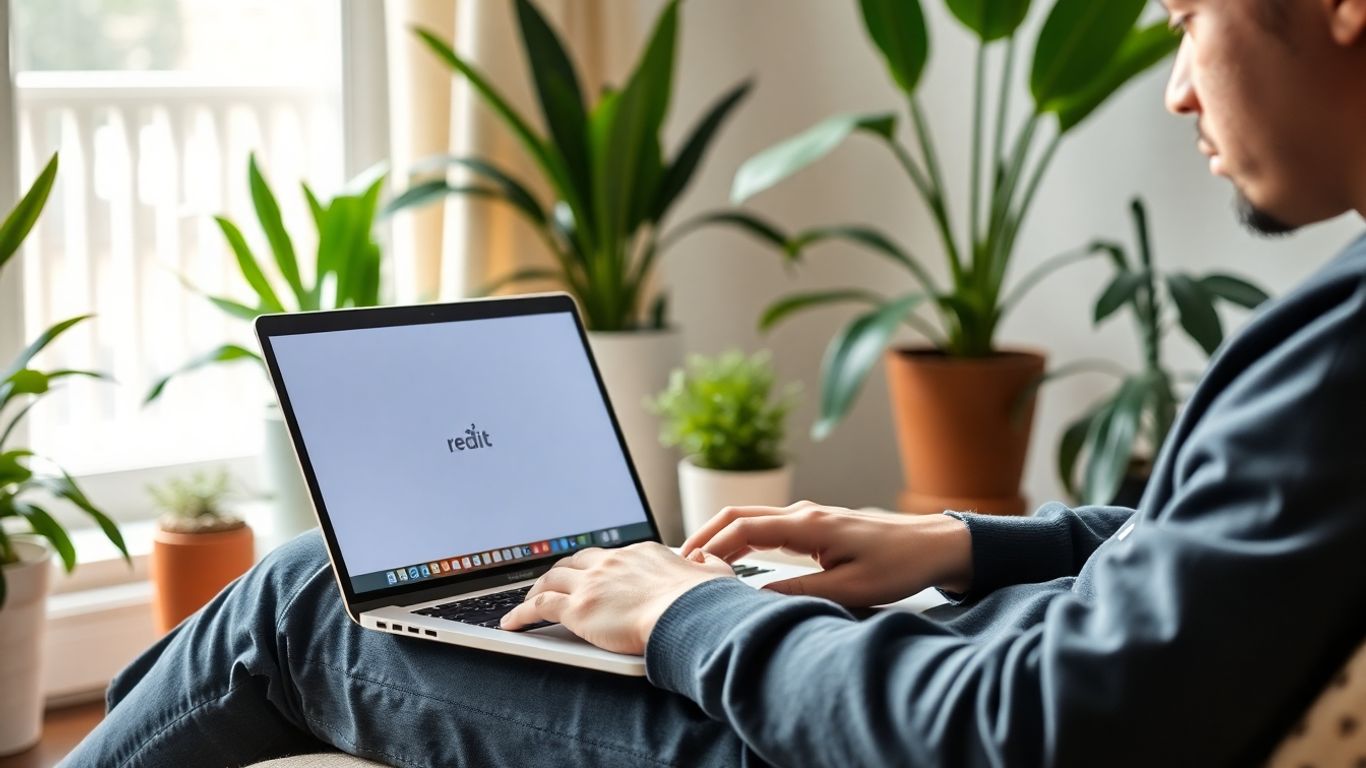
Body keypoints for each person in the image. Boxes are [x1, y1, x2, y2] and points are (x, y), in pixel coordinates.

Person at [61, 0, 1366, 765]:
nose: (1178, 91)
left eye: (1186, 16)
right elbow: (1204, 549)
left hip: (875, 737)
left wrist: (685, 619)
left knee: (297, 598)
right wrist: (951, 542)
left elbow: (1023, 728)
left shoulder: (1343, 345)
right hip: (938, 659)